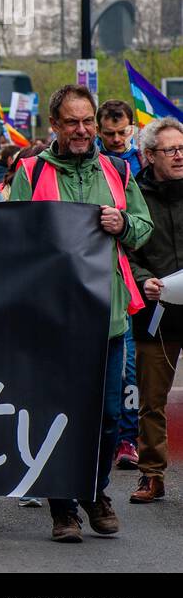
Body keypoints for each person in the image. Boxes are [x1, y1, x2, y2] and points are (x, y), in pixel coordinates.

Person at [9, 84, 152, 543]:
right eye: (72, 122)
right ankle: (62, 508)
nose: (82, 130)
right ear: (54, 125)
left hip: (107, 318)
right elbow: (12, 238)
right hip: (53, 321)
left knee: (108, 417)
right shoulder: (30, 171)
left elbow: (142, 229)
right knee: (59, 414)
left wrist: (124, 223)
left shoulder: (116, 168)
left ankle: (95, 490)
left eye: (87, 121)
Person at [126, 116, 183, 506]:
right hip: (157, 311)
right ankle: (152, 474)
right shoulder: (135, 196)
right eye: (171, 150)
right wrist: (144, 279)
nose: (179, 156)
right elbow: (125, 251)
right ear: (148, 155)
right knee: (152, 400)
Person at [97, 99, 141, 469]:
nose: (114, 139)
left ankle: (127, 439)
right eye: (107, 133)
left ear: (132, 128)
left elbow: (144, 226)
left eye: (121, 133)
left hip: (129, 287)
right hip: (89, 290)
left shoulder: (135, 167)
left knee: (129, 372)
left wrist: (124, 224)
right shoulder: (96, 164)